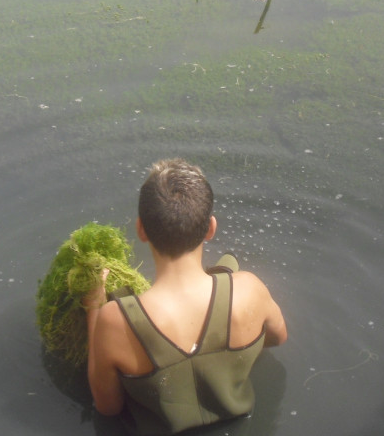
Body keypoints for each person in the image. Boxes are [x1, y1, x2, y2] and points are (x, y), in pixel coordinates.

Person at [82, 158, 288, 435]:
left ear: (141, 229)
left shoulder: (115, 319)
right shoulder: (249, 290)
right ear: (211, 228)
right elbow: (278, 337)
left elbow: (108, 407)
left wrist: (93, 307)